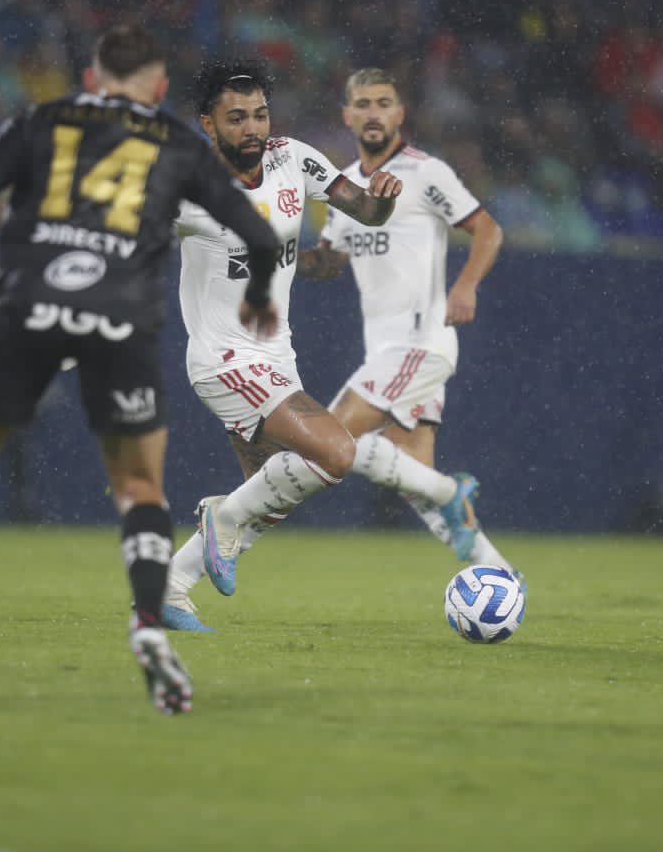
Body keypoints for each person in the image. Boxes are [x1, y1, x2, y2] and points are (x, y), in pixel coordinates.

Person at [0, 24, 283, 715]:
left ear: (93, 81)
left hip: (29, 300)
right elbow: (254, 232)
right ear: (158, 90)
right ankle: (150, 630)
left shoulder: (45, 118)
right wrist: (254, 297)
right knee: (136, 484)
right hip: (119, 313)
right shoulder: (179, 144)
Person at [160, 60, 478, 632]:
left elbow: (363, 208)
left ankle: (171, 585)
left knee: (268, 500)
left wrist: (381, 197)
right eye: (236, 119)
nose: (252, 128)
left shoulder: (293, 157)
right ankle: (220, 521)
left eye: (259, 114)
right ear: (207, 124)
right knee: (336, 451)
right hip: (224, 360)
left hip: (278, 357)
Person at [308, 68, 519, 577]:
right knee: (414, 482)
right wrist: (283, 255)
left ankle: (225, 537)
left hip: (418, 343)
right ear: (347, 115)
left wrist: (465, 285)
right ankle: (500, 576)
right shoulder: (346, 190)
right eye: (363, 103)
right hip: (383, 351)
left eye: (384, 102)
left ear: (400, 114)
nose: (374, 112)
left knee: (325, 440)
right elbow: (329, 261)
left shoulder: (426, 172)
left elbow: (488, 230)